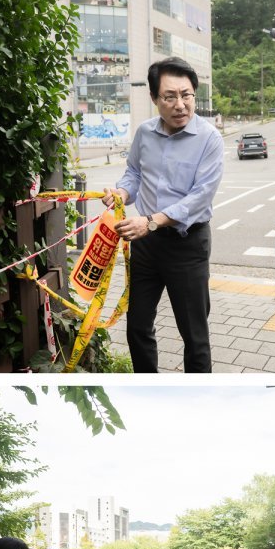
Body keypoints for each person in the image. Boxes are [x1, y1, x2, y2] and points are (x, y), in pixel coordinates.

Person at [101, 56, 225, 373]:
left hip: (187, 245)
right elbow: (133, 174)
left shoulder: (209, 139)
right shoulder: (144, 133)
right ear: (155, 98)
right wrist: (122, 193)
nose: (180, 104)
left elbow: (200, 197)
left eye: (187, 95)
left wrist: (152, 221)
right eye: (170, 96)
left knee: (194, 336)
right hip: (146, 245)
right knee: (137, 327)